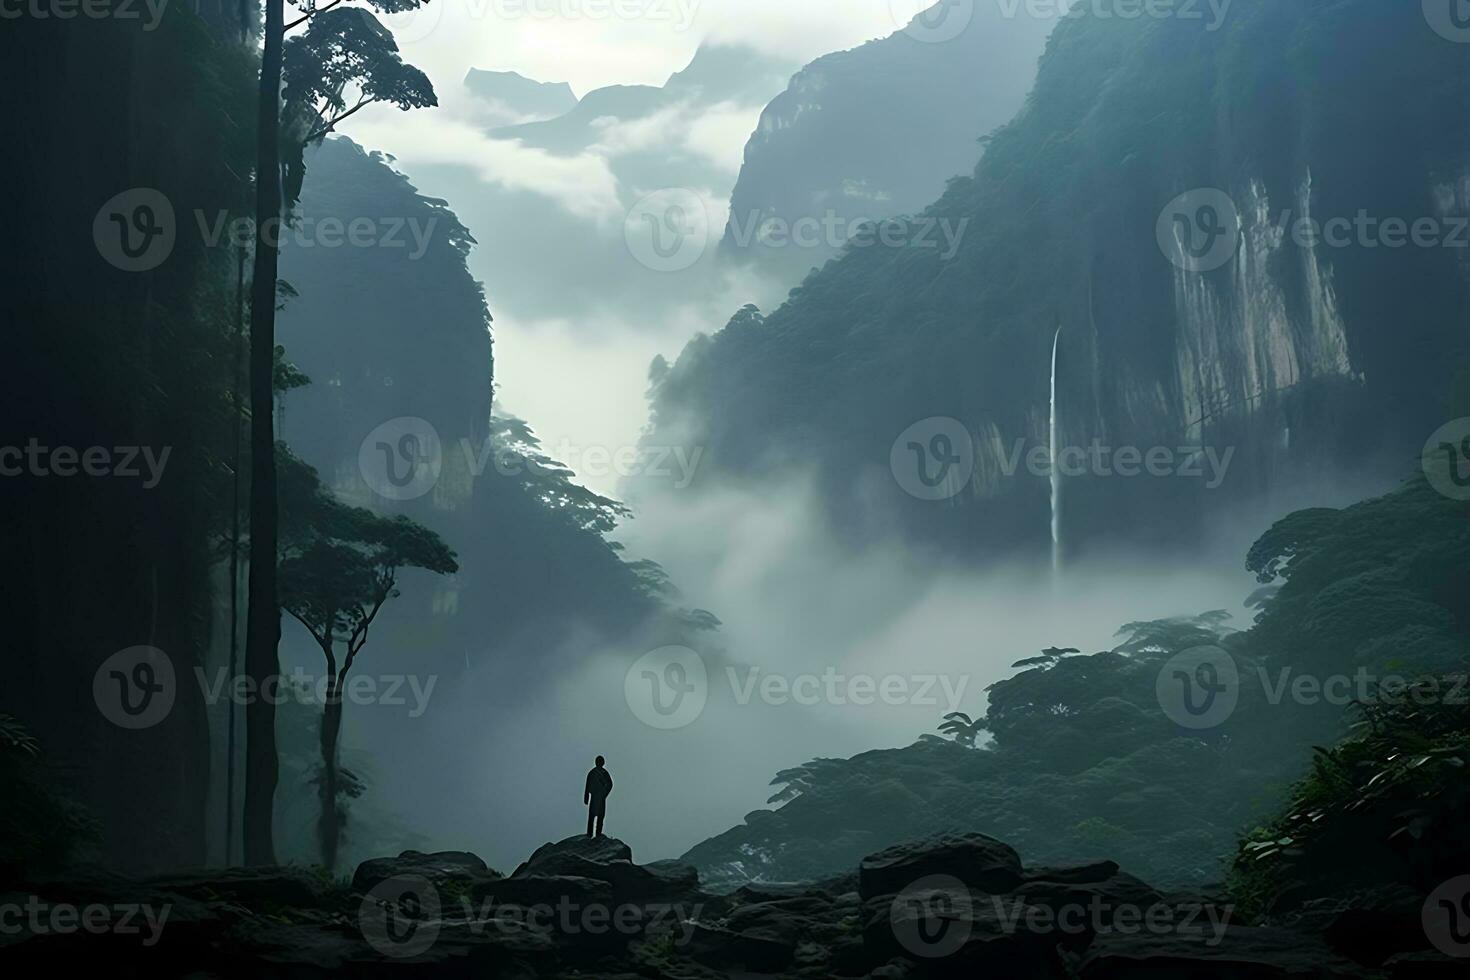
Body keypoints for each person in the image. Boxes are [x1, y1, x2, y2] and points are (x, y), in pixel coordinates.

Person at [584, 755, 613, 838]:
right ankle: (589, 834)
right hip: (594, 797)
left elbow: (610, 784)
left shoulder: (604, 773)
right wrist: (586, 797)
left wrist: (605, 793)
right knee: (591, 816)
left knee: (601, 816)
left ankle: (598, 834)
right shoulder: (592, 773)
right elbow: (587, 785)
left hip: (601, 797)